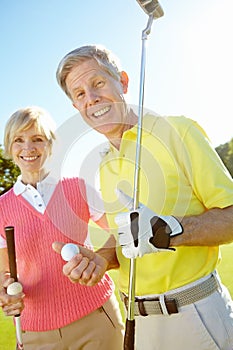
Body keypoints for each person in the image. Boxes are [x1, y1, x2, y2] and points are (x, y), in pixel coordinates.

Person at [55, 45, 233, 350]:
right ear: (76, 107)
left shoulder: (179, 131)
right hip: (138, 323)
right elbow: (125, 235)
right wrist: (101, 258)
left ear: (123, 82)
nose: (91, 98)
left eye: (98, 83)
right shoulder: (105, 161)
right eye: (80, 94)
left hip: (193, 316)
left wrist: (168, 231)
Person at [0, 106, 124, 350]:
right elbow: (3, 272)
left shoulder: (78, 187)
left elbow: (123, 230)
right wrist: (5, 292)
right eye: (18, 140)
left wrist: (100, 259)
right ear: (9, 148)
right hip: (36, 333)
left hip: (97, 317)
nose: (28, 148)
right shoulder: (1, 208)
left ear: (50, 145)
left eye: (37, 139)